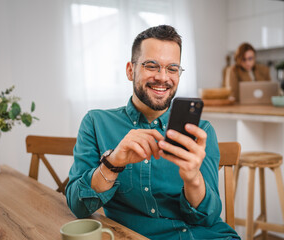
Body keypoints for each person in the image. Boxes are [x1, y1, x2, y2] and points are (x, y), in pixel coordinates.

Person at [66, 25, 239, 240]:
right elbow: (78, 207)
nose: (163, 77)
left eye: (172, 68)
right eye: (151, 66)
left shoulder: (201, 132)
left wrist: (193, 178)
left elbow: (208, 217)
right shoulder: (95, 122)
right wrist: (113, 162)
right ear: (130, 70)